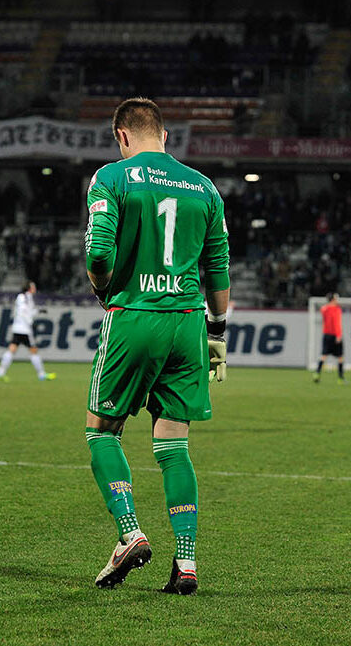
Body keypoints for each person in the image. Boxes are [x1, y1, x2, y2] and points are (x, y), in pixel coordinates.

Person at [83, 97, 230, 595]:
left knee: (102, 431)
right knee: (173, 445)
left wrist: (103, 289)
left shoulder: (112, 177)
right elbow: (219, 269)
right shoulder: (203, 187)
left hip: (136, 315)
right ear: (164, 136)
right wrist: (218, 333)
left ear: (121, 136)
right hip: (189, 323)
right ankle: (186, 562)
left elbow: (99, 251)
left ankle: (130, 534)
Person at [0, 281, 56, 382]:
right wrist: (30, 322)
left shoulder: (28, 298)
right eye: (33, 286)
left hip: (18, 328)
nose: (35, 288)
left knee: (12, 349)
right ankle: (41, 374)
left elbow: (29, 312)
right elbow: (23, 312)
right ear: (29, 288)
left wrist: (38, 311)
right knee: (33, 351)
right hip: (24, 329)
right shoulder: (23, 297)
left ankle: (0, 373)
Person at [313, 292, 344, 383]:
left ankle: (317, 373)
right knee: (340, 357)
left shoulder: (324, 309)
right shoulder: (336, 309)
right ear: (333, 299)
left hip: (326, 335)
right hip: (335, 335)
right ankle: (340, 378)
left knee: (324, 355)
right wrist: (338, 335)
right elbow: (337, 323)